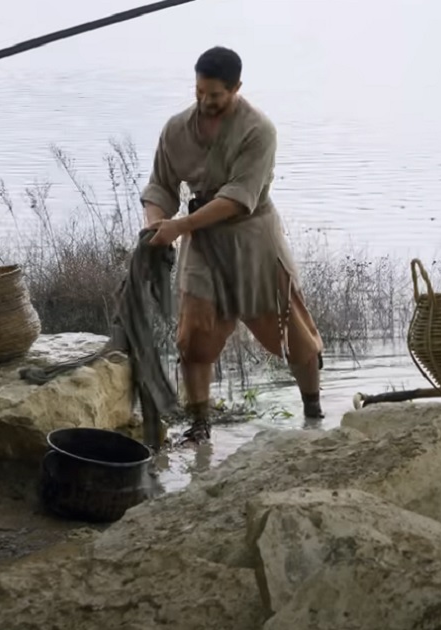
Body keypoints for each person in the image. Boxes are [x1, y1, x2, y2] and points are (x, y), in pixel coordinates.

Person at [140, 46, 325, 443]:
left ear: (237, 88)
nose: (206, 101)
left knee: (292, 335)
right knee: (193, 337)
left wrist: (179, 226)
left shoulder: (259, 130)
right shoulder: (176, 129)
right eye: (199, 92)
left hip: (254, 238)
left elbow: (238, 197)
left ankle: (313, 411)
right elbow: (159, 186)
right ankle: (200, 424)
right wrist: (155, 227)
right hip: (203, 245)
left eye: (215, 95)